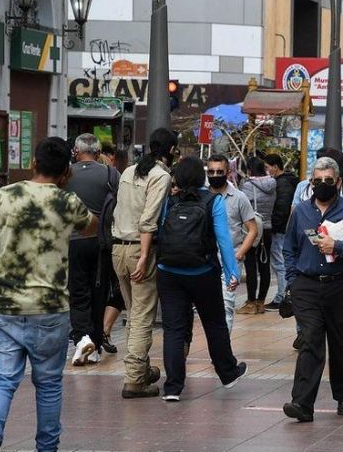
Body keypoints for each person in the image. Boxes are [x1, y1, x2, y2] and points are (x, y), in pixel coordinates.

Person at [0, 137, 97, 452]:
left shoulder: (6, 196)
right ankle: (47, 447)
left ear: (34, 164)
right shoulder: (68, 202)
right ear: (66, 171)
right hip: (50, 310)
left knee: (2, 380)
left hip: (5, 306)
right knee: (49, 386)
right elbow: (92, 226)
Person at [282, 157, 343, 422]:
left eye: (328, 180)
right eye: (317, 180)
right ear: (311, 183)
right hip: (307, 286)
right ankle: (301, 403)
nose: (322, 185)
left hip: (340, 287)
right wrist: (293, 280)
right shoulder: (301, 211)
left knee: (340, 344)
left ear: (337, 182)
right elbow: (289, 247)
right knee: (310, 341)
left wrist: (338, 246)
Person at [156, 157, 247, 401]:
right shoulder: (212, 201)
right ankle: (228, 373)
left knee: (173, 330)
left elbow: (159, 233)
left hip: (168, 271)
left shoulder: (169, 202)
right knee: (214, 324)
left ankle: (173, 387)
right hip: (202, 273)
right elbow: (224, 240)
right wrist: (232, 273)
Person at [111, 127, 174, 398]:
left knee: (131, 312)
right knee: (141, 316)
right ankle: (135, 379)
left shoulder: (128, 171)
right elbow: (148, 221)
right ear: (171, 150)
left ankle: (142, 368)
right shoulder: (162, 176)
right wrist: (146, 256)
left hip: (117, 249)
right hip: (140, 250)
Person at [64, 133, 122, 365]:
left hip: (72, 242)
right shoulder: (110, 174)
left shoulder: (66, 175)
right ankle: (95, 346)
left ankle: (81, 339)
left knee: (78, 293)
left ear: (75, 152)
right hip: (101, 243)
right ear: (98, 153)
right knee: (99, 293)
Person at [205, 154, 258, 326]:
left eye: (219, 171)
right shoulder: (202, 196)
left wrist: (239, 254)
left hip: (229, 261)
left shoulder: (239, 197)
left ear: (228, 172)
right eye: (211, 171)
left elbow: (252, 230)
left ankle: (223, 349)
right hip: (204, 260)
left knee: (226, 306)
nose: (214, 175)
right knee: (208, 307)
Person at [237, 157, 277, 314]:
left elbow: (242, 206)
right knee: (264, 264)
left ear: (249, 170)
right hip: (267, 228)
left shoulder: (246, 185)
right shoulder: (272, 184)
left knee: (251, 265)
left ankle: (251, 302)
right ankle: (261, 302)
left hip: (252, 228)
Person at [263, 153, 300, 311]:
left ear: (275, 167)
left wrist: (275, 226)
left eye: (267, 167)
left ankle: (282, 296)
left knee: (280, 263)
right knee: (281, 262)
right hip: (283, 228)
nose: (266, 171)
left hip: (281, 229)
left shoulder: (282, 184)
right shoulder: (286, 181)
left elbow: (282, 208)